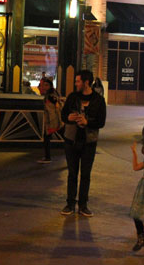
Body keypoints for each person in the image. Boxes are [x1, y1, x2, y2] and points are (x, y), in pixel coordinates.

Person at [60, 70, 106, 217]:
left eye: (78, 81)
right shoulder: (73, 97)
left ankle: (83, 205)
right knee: (72, 173)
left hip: (89, 142)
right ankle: (70, 204)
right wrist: (69, 117)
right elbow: (63, 115)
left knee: (85, 174)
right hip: (71, 140)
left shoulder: (98, 100)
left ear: (86, 82)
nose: (75, 84)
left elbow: (101, 122)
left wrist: (88, 122)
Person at [37, 80, 61, 164]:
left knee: (47, 138)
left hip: (53, 120)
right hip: (54, 120)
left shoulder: (51, 95)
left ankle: (48, 157)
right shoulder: (51, 93)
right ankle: (47, 157)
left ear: (50, 86)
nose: (44, 87)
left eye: (46, 85)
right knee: (47, 137)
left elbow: (55, 103)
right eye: (43, 85)